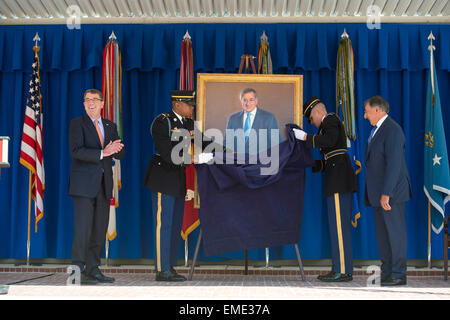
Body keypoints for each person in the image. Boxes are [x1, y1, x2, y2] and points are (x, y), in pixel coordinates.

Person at [143, 90, 213, 282]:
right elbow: (167, 154)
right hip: (162, 177)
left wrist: (231, 154)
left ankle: (169, 267)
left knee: (173, 226)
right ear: (176, 104)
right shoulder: (163, 122)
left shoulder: (189, 124)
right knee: (163, 225)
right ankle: (161, 269)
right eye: (189, 104)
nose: (192, 108)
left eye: (192, 105)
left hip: (178, 180)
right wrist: (194, 158)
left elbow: (206, 143)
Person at [293, 96, 357, 282]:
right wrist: (309, 164)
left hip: (338, 181)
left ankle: (342, 271)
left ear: (317, 112)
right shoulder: (329, 123)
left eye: (311, 119)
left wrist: (306, 138)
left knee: (339, 227)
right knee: (337, 227)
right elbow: (330, 158)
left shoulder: (330, 119)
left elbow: (328, 141)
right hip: (336, 178)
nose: (312, 124)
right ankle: (339, 267)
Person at [68, 88, 125, 285]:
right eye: (87, 100)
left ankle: (93, 269)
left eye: (94, 99)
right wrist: (103, 152)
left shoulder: (110, 125)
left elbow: (118, 153)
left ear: (102, 103)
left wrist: (117, 150)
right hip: (83, 186)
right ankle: (76, 274)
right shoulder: (78, 124)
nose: (90, 103)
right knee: (82, 230)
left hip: (104, 185)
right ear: (84, 104)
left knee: (99, 230)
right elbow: (76, 151)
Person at [363, 95, 412, 286]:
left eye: (367, 112)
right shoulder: (378, 130)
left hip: (391, 193)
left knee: (395, 233)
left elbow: (394, 165)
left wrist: (387, 193)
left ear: (378, 110)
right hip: (379, 193)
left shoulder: (392, 130)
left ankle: (398, 274)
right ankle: (387, 272)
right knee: (383, 235)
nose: (365, 116)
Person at [226, 88, 279, 154]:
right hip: (237, 161)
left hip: (260, 161)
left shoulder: (269, 118)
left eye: (251, 100)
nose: (248, 103)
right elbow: (227, 142)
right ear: (241, 101)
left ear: (256, 101)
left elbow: (275, 144)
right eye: (244, 100)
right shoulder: (233, 118)